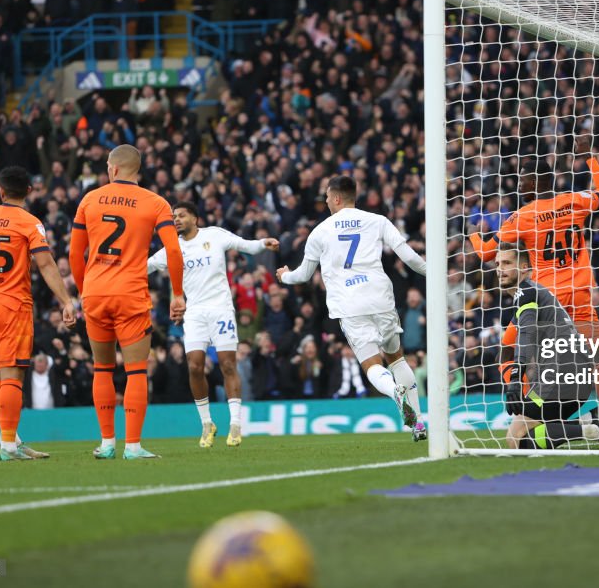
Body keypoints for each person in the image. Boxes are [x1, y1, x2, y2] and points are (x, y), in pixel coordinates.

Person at [469, 137, 599, 424]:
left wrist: (472, 235)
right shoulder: (574, 202)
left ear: (537, 182)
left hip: (544, 302)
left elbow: (488, 253)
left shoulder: (522, 217)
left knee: (508, 348)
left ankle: (527, 406)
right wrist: (590, 158)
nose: (518, 186)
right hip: (579, 297)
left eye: (523, 180)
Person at [276, 175, 428, 441]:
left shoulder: (320, 231)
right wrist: (433, 273)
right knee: (396, 357)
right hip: (380, 297)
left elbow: (302, 276)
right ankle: (418, 424)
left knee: (372, 365)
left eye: (326, 196)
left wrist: (284, 276)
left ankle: (395, 393)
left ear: (336, 198)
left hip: (349, 304)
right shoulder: (378, 220)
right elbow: (407, 254)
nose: (325, 201)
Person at [69, 145, 185, 459]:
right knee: (135, 371)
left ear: (114, 168)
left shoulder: (90, 199)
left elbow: (74, 253)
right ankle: (132, 446)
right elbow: (173, 251)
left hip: (95, 293)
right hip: (130, 294)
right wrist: (177, 293)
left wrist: (84, 291)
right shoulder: (156, 203)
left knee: (102, 368)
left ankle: (107, 443)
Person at [0, 166, 77, 460]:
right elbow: (47, 264)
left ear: (0, 191)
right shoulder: (30, 222)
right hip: (12, 304)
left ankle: (11, 440)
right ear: (29, 190)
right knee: (12, 376)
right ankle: (9, 447)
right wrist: (66, 301)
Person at [148, 201, 279, 448]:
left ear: (195, 218)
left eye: (181, 215)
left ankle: (236, 425)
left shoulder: (214, 235)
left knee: (228, 364)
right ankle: (207, 423)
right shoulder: (171, 247)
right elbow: (147, 266)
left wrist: (263, 243)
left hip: (221, 310)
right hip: (195, 313)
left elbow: (244, 245)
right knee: (195, 366)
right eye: (174, 216)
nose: (176, 219)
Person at [495, 242, 599, 450]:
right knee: (522, 438)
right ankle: (590, 422)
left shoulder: (526, 291)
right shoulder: (534, 293)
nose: (499, 269)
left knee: (515, 438)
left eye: (506, 263)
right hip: (575, 374)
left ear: (523, 267)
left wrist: (515, 377)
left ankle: (594, 424)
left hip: (561, 373)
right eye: (497, 263)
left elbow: (527, 333)